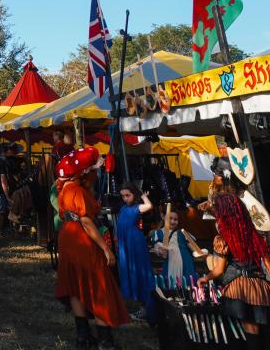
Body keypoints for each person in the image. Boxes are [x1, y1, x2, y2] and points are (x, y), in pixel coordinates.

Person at [55, 147, 129, 350]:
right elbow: (86, 222)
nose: (97, 172)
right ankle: (105, 342)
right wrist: (105, 248)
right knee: (97, 284)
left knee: (76, 284)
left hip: (68, 236)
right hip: (81, 238)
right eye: (94, 168)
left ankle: (83, 337)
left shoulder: (65, 188)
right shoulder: (78, 191)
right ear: (85, 171)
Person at [198, 187, 270, 349]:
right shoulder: (257, 237)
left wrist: (205, 278)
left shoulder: (224, 239)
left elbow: (219, 270)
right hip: (263, 287)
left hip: (241, 289)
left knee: (253, 333)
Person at [116, 183, 156, 325]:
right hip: (126, 244)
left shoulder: (137, 207)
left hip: (135, 243)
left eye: (128, 195)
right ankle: (142, 306)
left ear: (134, 195)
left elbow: (149, 206)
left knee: (140, 272)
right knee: (133, 272)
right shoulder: (124, 208)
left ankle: (147, 307)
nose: (125, 198)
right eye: (123, 196)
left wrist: (144, 197)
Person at [151, 210, 201, 282]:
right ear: (163, 217)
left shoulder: (182, 233)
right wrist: (160, 251)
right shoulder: (158, 233)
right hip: (170, 262)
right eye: (170, 218)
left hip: (185, 263)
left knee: (186, 284)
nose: (173, 221)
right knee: (170, 283)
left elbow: (194, 248)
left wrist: (199, 252)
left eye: (175, 219)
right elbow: (156, 248)